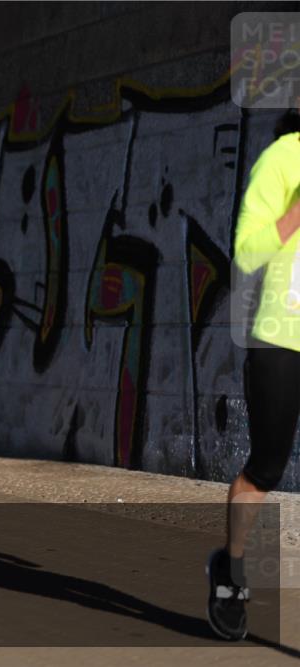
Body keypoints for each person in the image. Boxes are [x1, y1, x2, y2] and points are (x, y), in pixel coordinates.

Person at [208, 106, 300, 641]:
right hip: (280, 338)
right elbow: (246, 249)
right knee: (266, 467)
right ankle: (231, 568)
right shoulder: (284, 157)